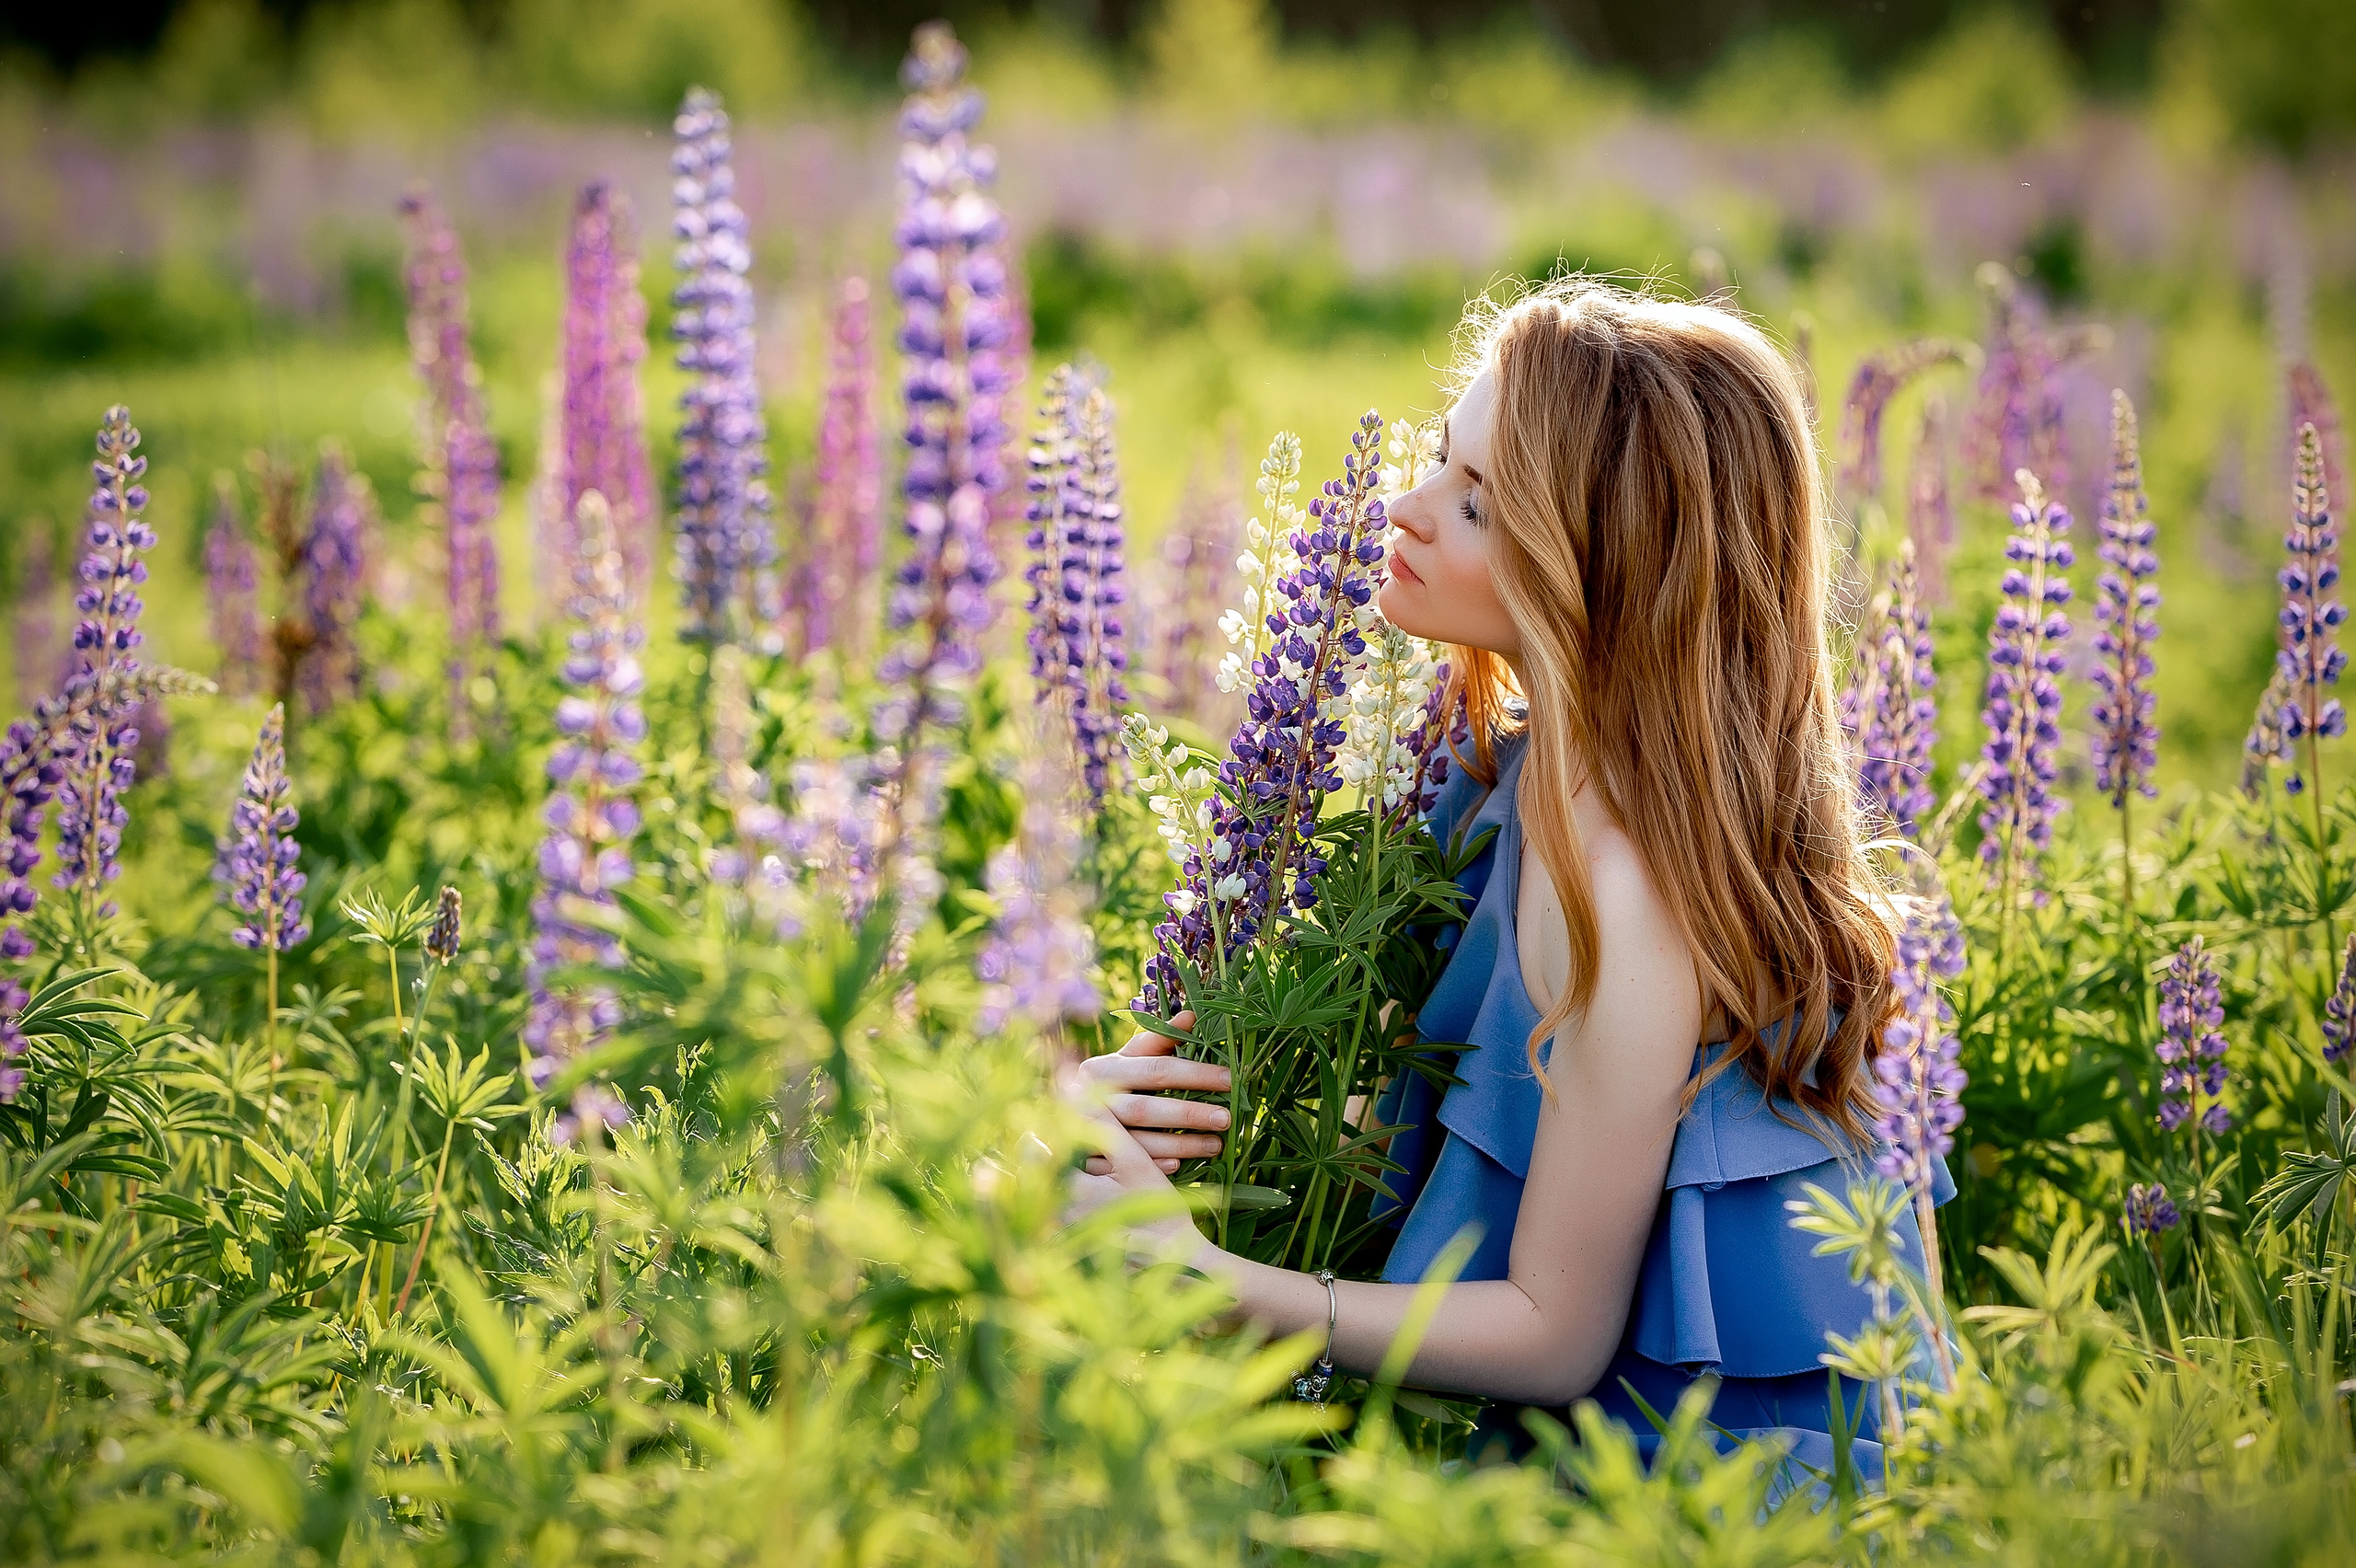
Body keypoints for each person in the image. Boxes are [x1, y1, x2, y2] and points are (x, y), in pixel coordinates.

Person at [1064, 278, 1952, 1482]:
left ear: (1608, 568)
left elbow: (1556, 1334)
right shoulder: (1509, 773)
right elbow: (1394, 1114)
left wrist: (1212, 1283)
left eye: (1477, 505)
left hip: (1693, 1495)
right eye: (1443, 461)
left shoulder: (1632, 896)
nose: (1409, 510)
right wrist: (1127, 1113)